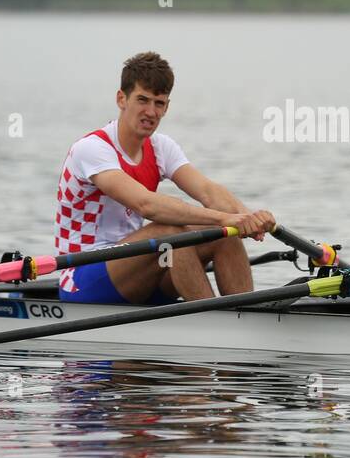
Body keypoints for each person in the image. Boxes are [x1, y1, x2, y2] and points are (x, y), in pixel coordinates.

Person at [55, 51, 274, 304]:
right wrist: (226, 217)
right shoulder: (92, 149)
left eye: (159, 103)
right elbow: (146, 205)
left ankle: (246, 316)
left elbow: (208, 191)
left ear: (167, 107)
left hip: (138, 270)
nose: (150, 112)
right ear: (121, 99)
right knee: (170, 231)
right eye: (142, 100)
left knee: (224, 233)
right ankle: (215, 327)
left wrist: (247, 217)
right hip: (82, 278)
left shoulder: (161, 147)